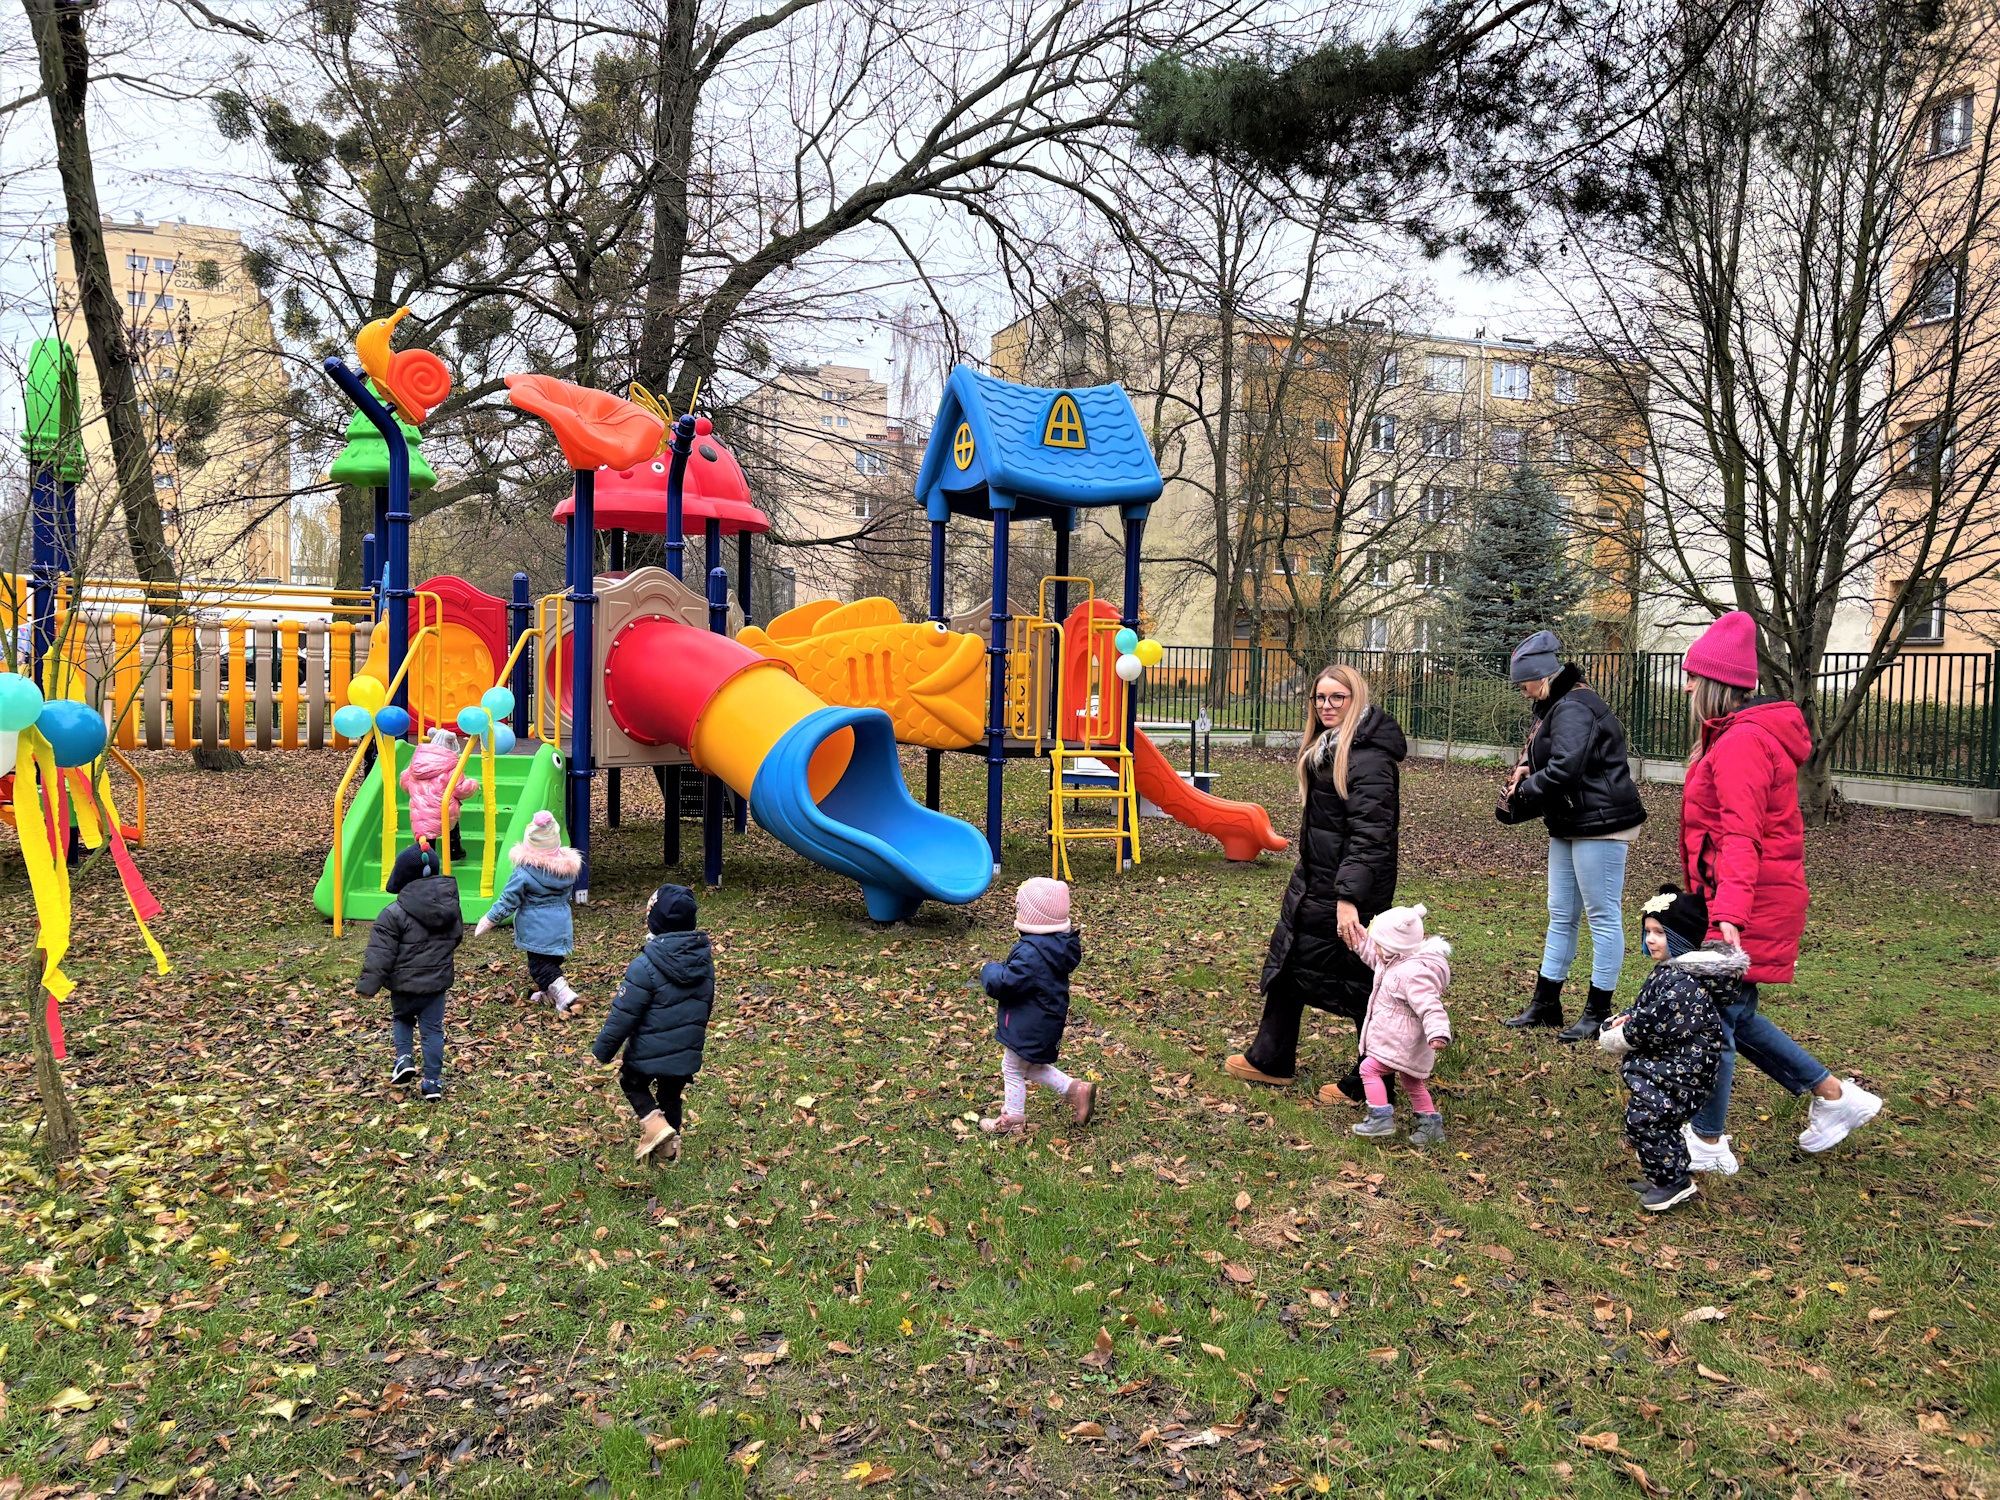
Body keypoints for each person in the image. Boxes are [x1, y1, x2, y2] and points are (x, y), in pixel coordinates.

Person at [1676, 611, 1881, 1167]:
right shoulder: (1731, 738)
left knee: (1716, 1015)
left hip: (1749, 901)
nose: (1687, 683)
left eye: (1693, 674)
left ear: (1714, 683)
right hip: (1744, 895)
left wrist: (1727, 925)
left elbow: (1741, 837)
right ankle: (1833, 1096)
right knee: (1734, 1015)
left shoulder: (1743, 744)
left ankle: (1709, 1141)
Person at [1226, 664, 1406, 1104]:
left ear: (1355, 699)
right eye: (1320, 698)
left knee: (1363, 983)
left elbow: (1371, 837)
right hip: (1316, 881)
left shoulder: (1368, 758)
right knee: (1291, 964)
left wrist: (1348, 899)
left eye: (1336, 698)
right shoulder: (1330, 748)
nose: (1326, 706)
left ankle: (1375, 1082)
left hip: (1345, 891)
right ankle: (1271, 1058)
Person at [1497, 630, 1648, 1042]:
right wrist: (1531, 771)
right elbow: (1559, 761)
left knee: (1602, 915)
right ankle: (1546, 1004)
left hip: (1601, 823)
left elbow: (1567, 769)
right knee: (1561, 912)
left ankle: (1598, 1012)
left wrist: (1525, 790)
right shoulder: (1558, 704)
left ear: (1542, 675)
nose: (1522, 691)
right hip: (1570, 820)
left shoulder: (1574, 707)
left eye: (1523, 682)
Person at [1598, 886, 1729, 1211]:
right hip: (1671, 1068)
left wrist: (1620, 1034)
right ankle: (1666, 1174)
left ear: (1680, 937)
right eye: (1648, 931)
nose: (1651, 939)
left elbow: (1652, 1024)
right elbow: (1654, 1014)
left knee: (1647, 1120)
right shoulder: (1673, 974)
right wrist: (1628, 1018)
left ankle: (1673, 1183)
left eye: (1659, 932)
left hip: (1679, 1074)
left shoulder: (1682, 983)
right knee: (1655, 1122)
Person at [592, 884, 713, 1163]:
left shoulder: (644, 965)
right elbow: (705, 1005)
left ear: (654, 922)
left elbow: (623, 1014)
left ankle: (655, 1126)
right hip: (686, 1051)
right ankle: (669, 1153)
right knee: (671, 1094)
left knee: (632, 1083)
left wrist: (603, 1051)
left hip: (647, 1051)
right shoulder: (705, 964)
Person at [978, 877, 1092, 1135]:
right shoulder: (1054, 947)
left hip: (1029, 1022)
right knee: (1030, 1066)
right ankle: (1077, 1090)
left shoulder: (1031, 953)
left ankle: (1013, 1121)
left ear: (1030, 916)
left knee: (1012, 1067)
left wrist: (990, 970)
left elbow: (1005, 983)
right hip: (1044, 1018)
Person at [356, 842, 465, 1102]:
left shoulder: (393, 914)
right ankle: (432, 1082)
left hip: (403, 986)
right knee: (433, 1030)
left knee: (403, 1019)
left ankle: (404, 1059)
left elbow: (380, 954)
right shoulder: (450, 908)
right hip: (436, 985)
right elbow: (455, 937)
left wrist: (368, 986)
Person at [1348, 904, 1451, 1143]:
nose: (1375, 949)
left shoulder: (1413, 974)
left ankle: (1380, 1119)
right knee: (1412, 1081)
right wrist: (1355, 939)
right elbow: (1371, 954)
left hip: (1401, 1042)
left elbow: (1430, 1005)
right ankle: (1431, 1128)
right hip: (1401, 1041)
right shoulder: (1392, 961)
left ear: (1394, 946)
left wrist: (1438, 1032)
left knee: (1368, 1069)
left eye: (1379, 945)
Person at [474, 809, 584, 1015]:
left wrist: (490, 919)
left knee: (540, 967)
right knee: (550, 962)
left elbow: (508, 900)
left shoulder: (524, 873)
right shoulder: (565, 872)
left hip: (538, 929)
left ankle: (563, 993)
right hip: (561, 927)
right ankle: (547, 993)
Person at [401, 729, 479, 863]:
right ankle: (453, 849)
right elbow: (460, 789)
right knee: (451, 825)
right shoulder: (453, 767)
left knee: (425, 835)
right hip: (443, 809)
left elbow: (404, 782)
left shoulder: (416, 764)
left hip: (419, 810)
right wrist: (473, 784)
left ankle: (427, 859)